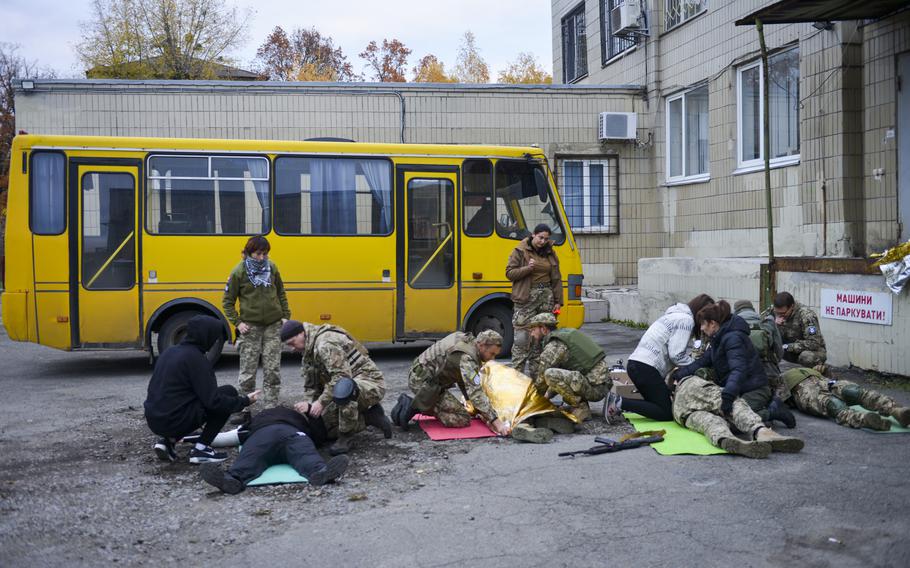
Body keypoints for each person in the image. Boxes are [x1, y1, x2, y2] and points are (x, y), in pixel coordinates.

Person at [144, 315, 258, 464]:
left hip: (154, 418)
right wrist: (245, 401)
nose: (215, 342)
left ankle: (168, 441)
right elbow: (214, 402)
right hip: (174, 420)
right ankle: (201, 449)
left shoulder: (169, 352)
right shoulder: (197, 359)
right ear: (206, 336)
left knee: (182, 400)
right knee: (228, 392)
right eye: (214, 338)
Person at [281, 320, 391, 455]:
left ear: (301, 333)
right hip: (344, 385)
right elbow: (311, 385)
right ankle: (370, 417)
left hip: (370, 383)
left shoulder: (325, 343)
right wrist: (310, 409)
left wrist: (321, 402)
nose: (292, 349)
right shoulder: (309, 349)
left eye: (292, 343)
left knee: (343, 390)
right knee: (325, 429)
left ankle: (346, 437)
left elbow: (342, 378)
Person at [604, 295, 715, 422]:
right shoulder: (686, 320)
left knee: (657, 402)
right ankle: (618, 402)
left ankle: (620, 403)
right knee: (666, 412)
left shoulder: (674, 315)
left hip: (636, 364)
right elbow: (676, 355)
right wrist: (696, 365)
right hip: (646, 368)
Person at [199, 405, 349, 494]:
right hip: (292, 433)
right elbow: (319, 437)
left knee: (250, 458)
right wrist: (311, 411)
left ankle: (233, 478)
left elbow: (230, 437)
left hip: (263, 434)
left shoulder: (258, 419)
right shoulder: (298, 417)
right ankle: (320, 472)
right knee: (306, 455)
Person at [390, 330, 510, 436]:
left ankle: (421, 403)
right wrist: (496, 422)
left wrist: (478, 409)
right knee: (462, 418)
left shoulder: (467, 340)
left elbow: (464, 381)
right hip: (424, 384)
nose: (492, 358)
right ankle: (414, 406)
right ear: (482, 345)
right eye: (492, 354)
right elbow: (476, 393)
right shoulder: (467, 358)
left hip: (422, 375)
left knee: (459, 408)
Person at [670, 301, 776, 420]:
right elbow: (703, 361)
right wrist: (679, 374)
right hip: (740, 388)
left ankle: (773, 411)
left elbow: (739, 369)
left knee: (735, 418)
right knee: (723, 414)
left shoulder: (733, 338)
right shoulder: (719, 337)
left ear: (713, 324)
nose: (701, 328)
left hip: (755, 389)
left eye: (703, 324)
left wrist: (728, 396)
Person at [222, 236, 291, 418]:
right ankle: (243, 408)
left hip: (273, 326)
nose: (262, 258)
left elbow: (281, 293)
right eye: (258, 254)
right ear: (249, 252)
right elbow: (227, 302)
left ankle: (271, 407)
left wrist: (285, 317)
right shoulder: (239, 271)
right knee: (247, 371)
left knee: (273, 369)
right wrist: (238, 323)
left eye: (265, 254)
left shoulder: (272, 267)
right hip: (250, 328)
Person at [672, 374, 804, 458]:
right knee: (733, 404)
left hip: (679, 411)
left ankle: (726, 439)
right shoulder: (684, 372)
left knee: (710, 422)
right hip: (689, 385)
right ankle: (760, 431)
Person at [524, 313, 611, 422]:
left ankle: (580, 407)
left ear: (543, 328)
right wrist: (547, 397)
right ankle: (580, 405)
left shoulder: (554, 345)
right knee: (554, 375)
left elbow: (542, 380)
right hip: (599, 384)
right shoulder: (564, 336)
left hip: (596, 389)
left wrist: (532, 403)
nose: (532, 334)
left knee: (549, 374)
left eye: (533, 329)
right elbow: (560, 379)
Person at [506, 223, 563, 376]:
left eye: (546, 239)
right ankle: (516, 381)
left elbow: (556, 278)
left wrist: (558, 301)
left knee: (540, 341)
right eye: (540, 237)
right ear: (533, 235)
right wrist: (528, 269)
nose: (543, 241)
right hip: (526, 298)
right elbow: (510, 273)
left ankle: (536, 383)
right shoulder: (520, 250)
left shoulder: (550, 252)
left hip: (546, 299)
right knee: (522, 339)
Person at [781, 367, 910, 431]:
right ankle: (865, 420)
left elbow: (829, 373)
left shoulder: (798, 365)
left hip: (823, 380)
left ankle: (894, 409)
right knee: (832, 404)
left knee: (854, 392)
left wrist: (823, 369)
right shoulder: (776, 377)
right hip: (801, 391)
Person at [733, 299, 795, 428]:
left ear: (737, 311)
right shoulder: (768, 322)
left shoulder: (732, 325)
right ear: (753, 310)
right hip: (770, 378)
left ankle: (768, 413)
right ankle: (772, 404)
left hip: (744, 380)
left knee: (735, 413)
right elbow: (779, 352)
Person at [765, 292, 827, 370]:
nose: (779, 315)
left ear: (792, 307)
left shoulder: (806, 315)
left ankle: (818, 372)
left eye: (783, 313)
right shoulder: (773, 311)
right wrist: (773, 324)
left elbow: (814, 343)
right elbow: (762, 331)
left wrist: (787, 347)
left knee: (806, 357)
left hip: (809, 351)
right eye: (777, 313)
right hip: (785, 349)